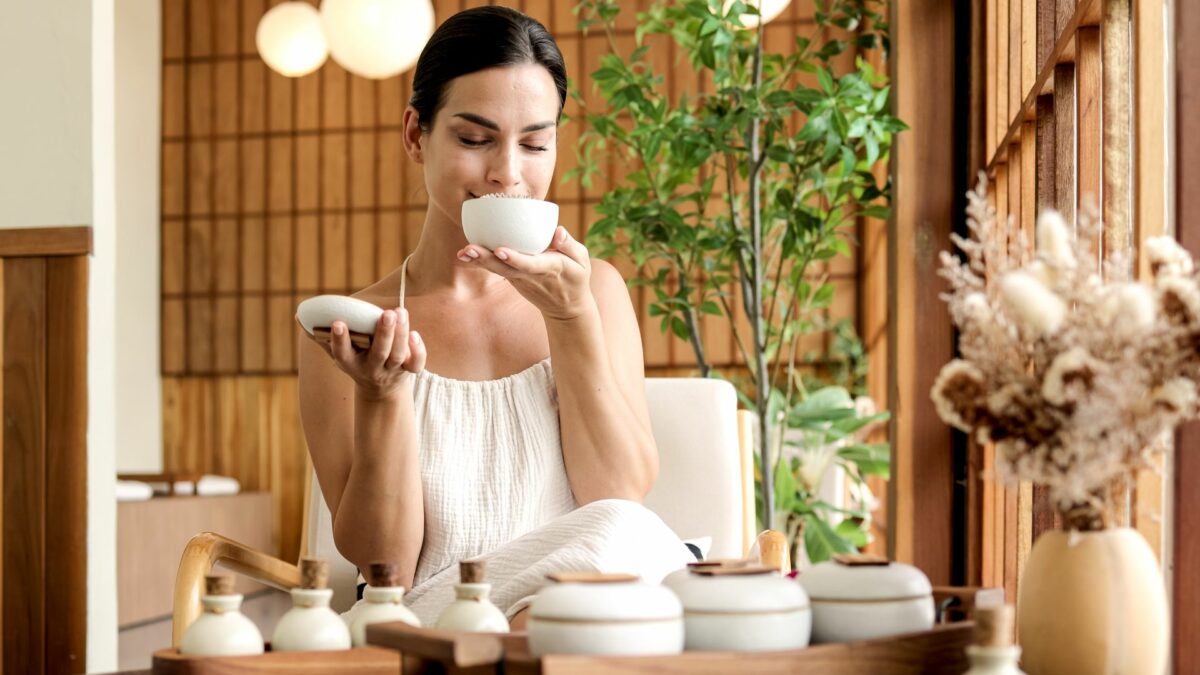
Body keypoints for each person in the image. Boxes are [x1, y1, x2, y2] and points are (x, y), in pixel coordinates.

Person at [297, 5, 692, 627]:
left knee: (622, 531)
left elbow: (617, 497)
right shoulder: (359, 326)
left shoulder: (596, 293)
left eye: (535, 143)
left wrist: (572, 321)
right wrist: (383, 397)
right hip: (437, 621)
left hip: (579, 610)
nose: (509, 173)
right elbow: (385, 570)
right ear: (415, 135)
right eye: (475, 139)